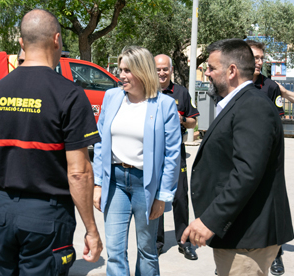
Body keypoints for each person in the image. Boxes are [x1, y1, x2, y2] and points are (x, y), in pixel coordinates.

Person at [0, 9, 103, 276]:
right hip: (46, 216)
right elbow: (79, 172)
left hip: (3, 212)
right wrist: (91, 230)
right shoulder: (69, 95)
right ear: (57, 39)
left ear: (22, 43)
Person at [182, 38, 294, 276]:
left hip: (247, 236)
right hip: (237, 233)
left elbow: (247, 172)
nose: (208, 73)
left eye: (211, 68)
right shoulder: (237, 103)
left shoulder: (252, 106)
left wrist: (210, 220)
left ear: (231, 70)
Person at [93, 46, 181, 276]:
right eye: (120, 69)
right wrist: (98, 183)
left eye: (127, 70)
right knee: (114, 251)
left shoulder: (164, 105)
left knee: (147, 249)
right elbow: (101, 142)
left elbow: (172, 155)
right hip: (115, 182)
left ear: (142, 72)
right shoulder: (112, 97)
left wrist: (163, 196)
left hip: (146, 185)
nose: (121, 75)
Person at [246, 39, 290, 276]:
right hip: (242, 153)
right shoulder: (235, 84)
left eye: (262, 58)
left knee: (273, 206)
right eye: (255, 57)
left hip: (268, 154)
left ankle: (276, 255)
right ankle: (229, 256)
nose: (259, 62)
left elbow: (278, 117)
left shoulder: (270, 86)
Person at [154, 54, 199, 260]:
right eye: (158, 69)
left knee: (180, 196)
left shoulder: (180, 92)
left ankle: (184, 240)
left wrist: (180, 118)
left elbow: (193, 122)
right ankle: (156, 242)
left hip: (175, 151)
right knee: (155, 197)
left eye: (165, 69)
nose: (161, 73)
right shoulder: (147, 91)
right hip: (153, 153)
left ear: (171, 70)